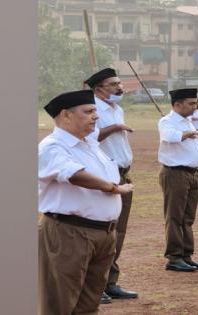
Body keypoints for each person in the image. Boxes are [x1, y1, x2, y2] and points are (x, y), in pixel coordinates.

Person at [38, 90, 134, 315]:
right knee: (59, 303)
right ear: (66, 115)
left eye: (95, 111)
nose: (96, 116)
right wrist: (112, 187)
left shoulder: (89, 145)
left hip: (102, 234)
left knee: (89, 304)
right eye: (89, 111)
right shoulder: (52, 146)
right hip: (70, 232)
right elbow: (74, 175)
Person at [84, 68, 138, 303]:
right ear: (98, 89)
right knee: (101, 232)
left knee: (119, 232)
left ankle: (110, 281)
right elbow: (88, 138)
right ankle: (94, 284)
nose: (120, 88)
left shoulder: (117, 109)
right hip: (104, 177)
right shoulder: (91, 110)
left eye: (120, 83)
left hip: (122, 175)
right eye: (113, 84)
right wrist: (115, 127)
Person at [158, 88, 198, 272]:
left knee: (187, 218)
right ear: (177, 104)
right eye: (191, 103)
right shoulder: (167, 121)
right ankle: (174, 257)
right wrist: (190, 134)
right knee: (174, 217)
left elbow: (191, 152)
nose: (195, 106)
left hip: (191, 173)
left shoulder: (187, 122)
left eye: (195, 103)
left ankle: (187, 255)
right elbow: (170, 137)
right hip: (175, 173)